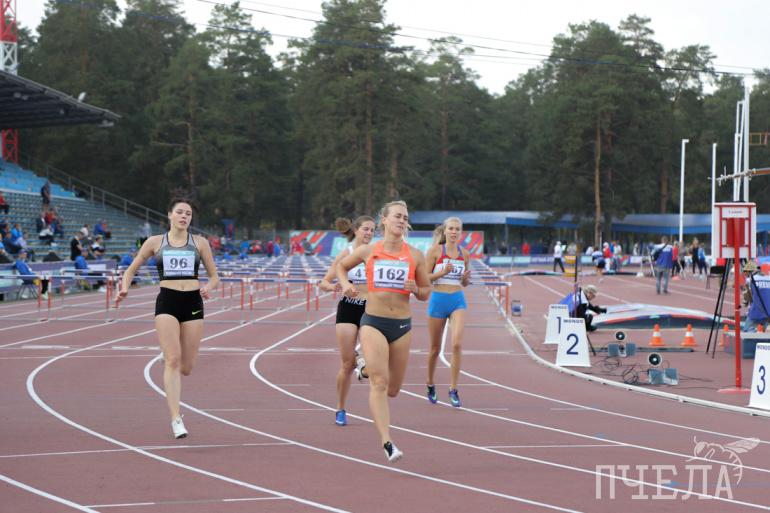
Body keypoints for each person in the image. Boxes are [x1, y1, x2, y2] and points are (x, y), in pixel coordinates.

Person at [116, 195, 219, 439]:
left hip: (192, 302)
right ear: (170, 215)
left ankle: (168, 356)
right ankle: (176, 418)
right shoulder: (155, 242)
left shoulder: (200, 243)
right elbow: (131, 270)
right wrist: (124, 288)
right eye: (180, 212)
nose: (184, 216)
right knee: (173, 360)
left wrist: (208, 287)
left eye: (188, 214)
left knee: (186, 367)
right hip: (167, 301)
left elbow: (215, 276)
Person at [337, 200, 431, 463]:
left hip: (401, 326)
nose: (402, 220)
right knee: (380, 383)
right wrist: (344, 284)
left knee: (393, 390)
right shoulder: (369, 250)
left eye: (405, 217)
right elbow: (341, 267)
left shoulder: (415, 255)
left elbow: (426, 291)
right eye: (397, 216)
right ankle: (387, 442)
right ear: (385, 221)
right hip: (373, 322)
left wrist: (416, 289)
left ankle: (365, 367)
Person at [318, 216, 375, 426]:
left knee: (374, 359)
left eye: (372, 230)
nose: (369, 233)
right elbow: (324, 282)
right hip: (349, 307)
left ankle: (362, 363)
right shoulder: (347, 253)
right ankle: (340, 408)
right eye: (366, 229)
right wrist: (336, 286)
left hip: (371, 308)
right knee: (347, 364)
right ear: (356, 230)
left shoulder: (376, 253)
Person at [425, 217, 471, 407]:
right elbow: (425, 277)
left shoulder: (465, 254)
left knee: (457, 344)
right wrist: (442, 272)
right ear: (445, 231)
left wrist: (465, 278)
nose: (454, 232)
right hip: (438, 300)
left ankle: (453, 388)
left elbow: (465, 283)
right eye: (451, 228)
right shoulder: (435, 251)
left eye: (457, 229)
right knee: (435, 349)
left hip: (457, 300)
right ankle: (430, 383)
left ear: (461, 232)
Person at [742, 261, 770, 332]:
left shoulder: (750, 280)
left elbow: (746, 298)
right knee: (765, 334)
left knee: (746, 332)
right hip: (768, 313)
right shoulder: (768, 278)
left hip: (755, 312)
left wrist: (745, 303)